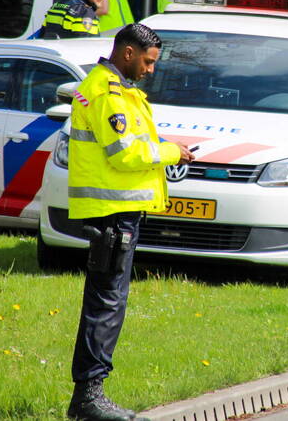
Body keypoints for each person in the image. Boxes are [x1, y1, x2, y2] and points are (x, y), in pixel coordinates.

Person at [66, 23, 195, 421]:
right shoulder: (107, 92)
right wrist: (172, 152)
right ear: (127, 53)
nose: (151, 69)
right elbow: (124, 153)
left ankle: (86, 398)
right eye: (148, 61)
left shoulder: (117, 90)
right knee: (106, 303)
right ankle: (89, 397)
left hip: (117, 214)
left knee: (108, 301)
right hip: (112, 215)